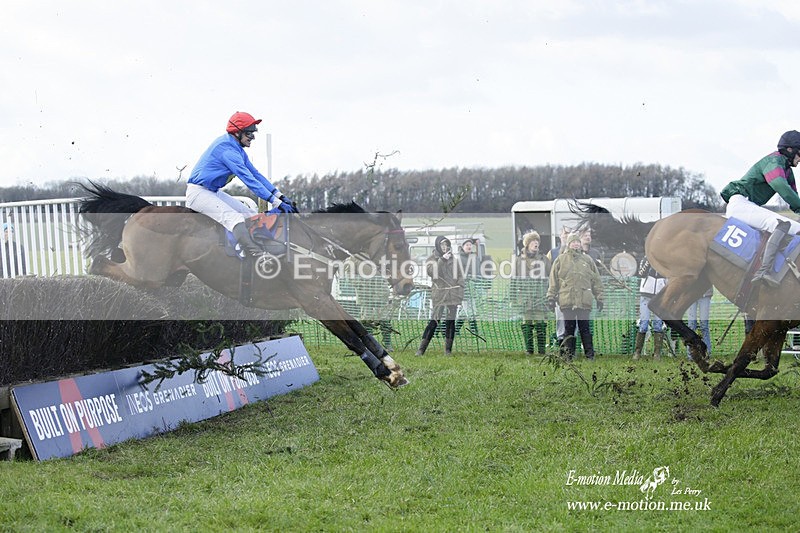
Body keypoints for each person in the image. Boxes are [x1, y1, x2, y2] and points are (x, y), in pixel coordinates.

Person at [187, 111, 297, 257]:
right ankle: (255, 254)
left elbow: (256, 175)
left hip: (212, 192)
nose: (253, 137)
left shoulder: (236, 148)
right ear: (237, 132)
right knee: (236, 219)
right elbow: (249, 180)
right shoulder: (227, 150)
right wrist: (276, 202)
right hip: (199, 194)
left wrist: (280, 196)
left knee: (250, 215)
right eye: (249, 133)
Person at [720, 130, 800, 285]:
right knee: (783, 224)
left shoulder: (787, 170)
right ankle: (763, 271)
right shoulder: (774, 161)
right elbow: (780, 185)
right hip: (740, 204)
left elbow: (794, 199)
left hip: (748, 206)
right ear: (790, 150)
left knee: (796, 228)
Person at [547, 233, 604, 361]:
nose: (576, 244)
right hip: (567, 300)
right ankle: (569, 355)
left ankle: (590, 355)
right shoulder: (560, 260)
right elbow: (553, 281)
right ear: (568, 244)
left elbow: (596, 281)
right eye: (573, 242)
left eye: (577, 242)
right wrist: (551, 297)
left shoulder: (588, 260)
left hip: (584, 301)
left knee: (585, 328)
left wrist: (600, 297)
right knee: (569, 328)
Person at [416, 236, 465, 356]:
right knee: (434, 321)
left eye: (446, 245)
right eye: (442, 245)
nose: (445, 247)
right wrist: (442, 260)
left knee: (450, 323)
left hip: (452, 295)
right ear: (438, 245)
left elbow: (460, 276)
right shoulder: (431, 259)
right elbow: (432, 273)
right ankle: (421, 350)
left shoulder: (454, 260)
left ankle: (448, 350)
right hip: (439, 295)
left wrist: (459, 290)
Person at [514, 230, 551, 354]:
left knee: (541, 323)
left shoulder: (544, 259)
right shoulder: (518, 260)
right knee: (527, 323)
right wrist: (513, 298)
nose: (536, 243)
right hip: (525, 297)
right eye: (533, 241)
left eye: (537, 241)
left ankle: (541, 350)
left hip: (540, 296)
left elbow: (551, 277)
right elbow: (513, 280)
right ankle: (529, 350)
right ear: (527, 244)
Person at [633, 257, 667, 360]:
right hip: (646, 295)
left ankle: (657, 354)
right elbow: (641, 274)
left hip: (659, 296)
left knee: (658, 325)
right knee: (644, 324)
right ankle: (637, 352)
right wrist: (649, 261)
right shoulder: (645, 259)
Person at [547, 225, 573, 346]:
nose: (566, 236)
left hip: (573, 293)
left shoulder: (576, 254)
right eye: (565, 233)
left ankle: (571, 345)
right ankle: (561, 345)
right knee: (561, 320)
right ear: (560, 235)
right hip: (559, 293)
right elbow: (549, 273)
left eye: (569, 233)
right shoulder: (552, 253)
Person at [456, 238, 480, 337]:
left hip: (472, 287)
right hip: (463, 288)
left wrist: (477, 245)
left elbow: (478, 258)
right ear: (463, 247)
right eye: (467, 245)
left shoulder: (472, 257)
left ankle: (456, 329)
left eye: (470, 245)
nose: (469, 246)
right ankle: (474, 330)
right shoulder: (459, 258)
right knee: (470, 310)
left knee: (465, 310)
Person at [686, 287, 713, 360]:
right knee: (691, 325)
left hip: (705, 293)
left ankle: (707, 353)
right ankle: (691, 354)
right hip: (690, 293)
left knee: (704, 325)